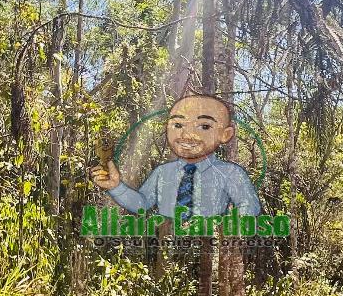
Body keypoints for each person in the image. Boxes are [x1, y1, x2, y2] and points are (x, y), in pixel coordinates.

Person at [89, 93, 261, 222]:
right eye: (178, 125)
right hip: (166, 246)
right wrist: (116, 187)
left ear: (225, 134)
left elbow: (249, 206)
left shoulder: (230, 172)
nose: (187, 135)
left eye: (204, 126)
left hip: (210, 247)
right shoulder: (163, 172)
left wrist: (224, 228)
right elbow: (142, 204)